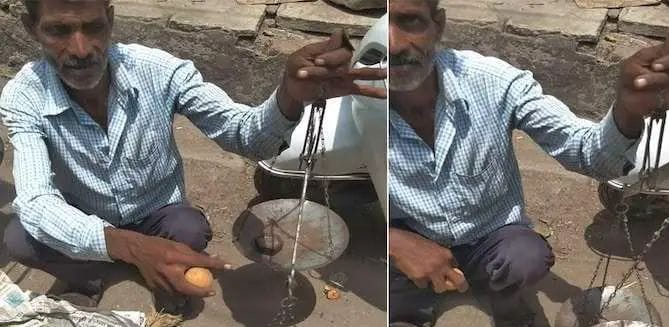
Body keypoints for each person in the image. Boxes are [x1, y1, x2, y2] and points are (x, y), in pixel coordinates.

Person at [387, 0, 669, 327]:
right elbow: (346, 185)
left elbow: (587, 154)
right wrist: (396, 241)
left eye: (409, 20)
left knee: (526, 258)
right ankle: (410, 312)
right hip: (412, 230)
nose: (392, 43)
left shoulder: (493, 83)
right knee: (395, 278)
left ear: (439, 24)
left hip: (489, 235)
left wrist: (627, 113)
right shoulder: (359, 100)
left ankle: (505, 301)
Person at [0, 0, 386, 310]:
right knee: (20, 237)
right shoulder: (24, 97)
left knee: (190, 230)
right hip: (84, 213)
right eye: (58, 31)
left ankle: (136, 263)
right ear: (31, 28)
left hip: (154, 213)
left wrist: (288, 97)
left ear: (111, 20)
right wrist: (129, 247)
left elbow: (244, 136)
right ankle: (90, 278)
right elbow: (35, 201)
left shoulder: (159, 71)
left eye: (94, 27)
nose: (81, 50)